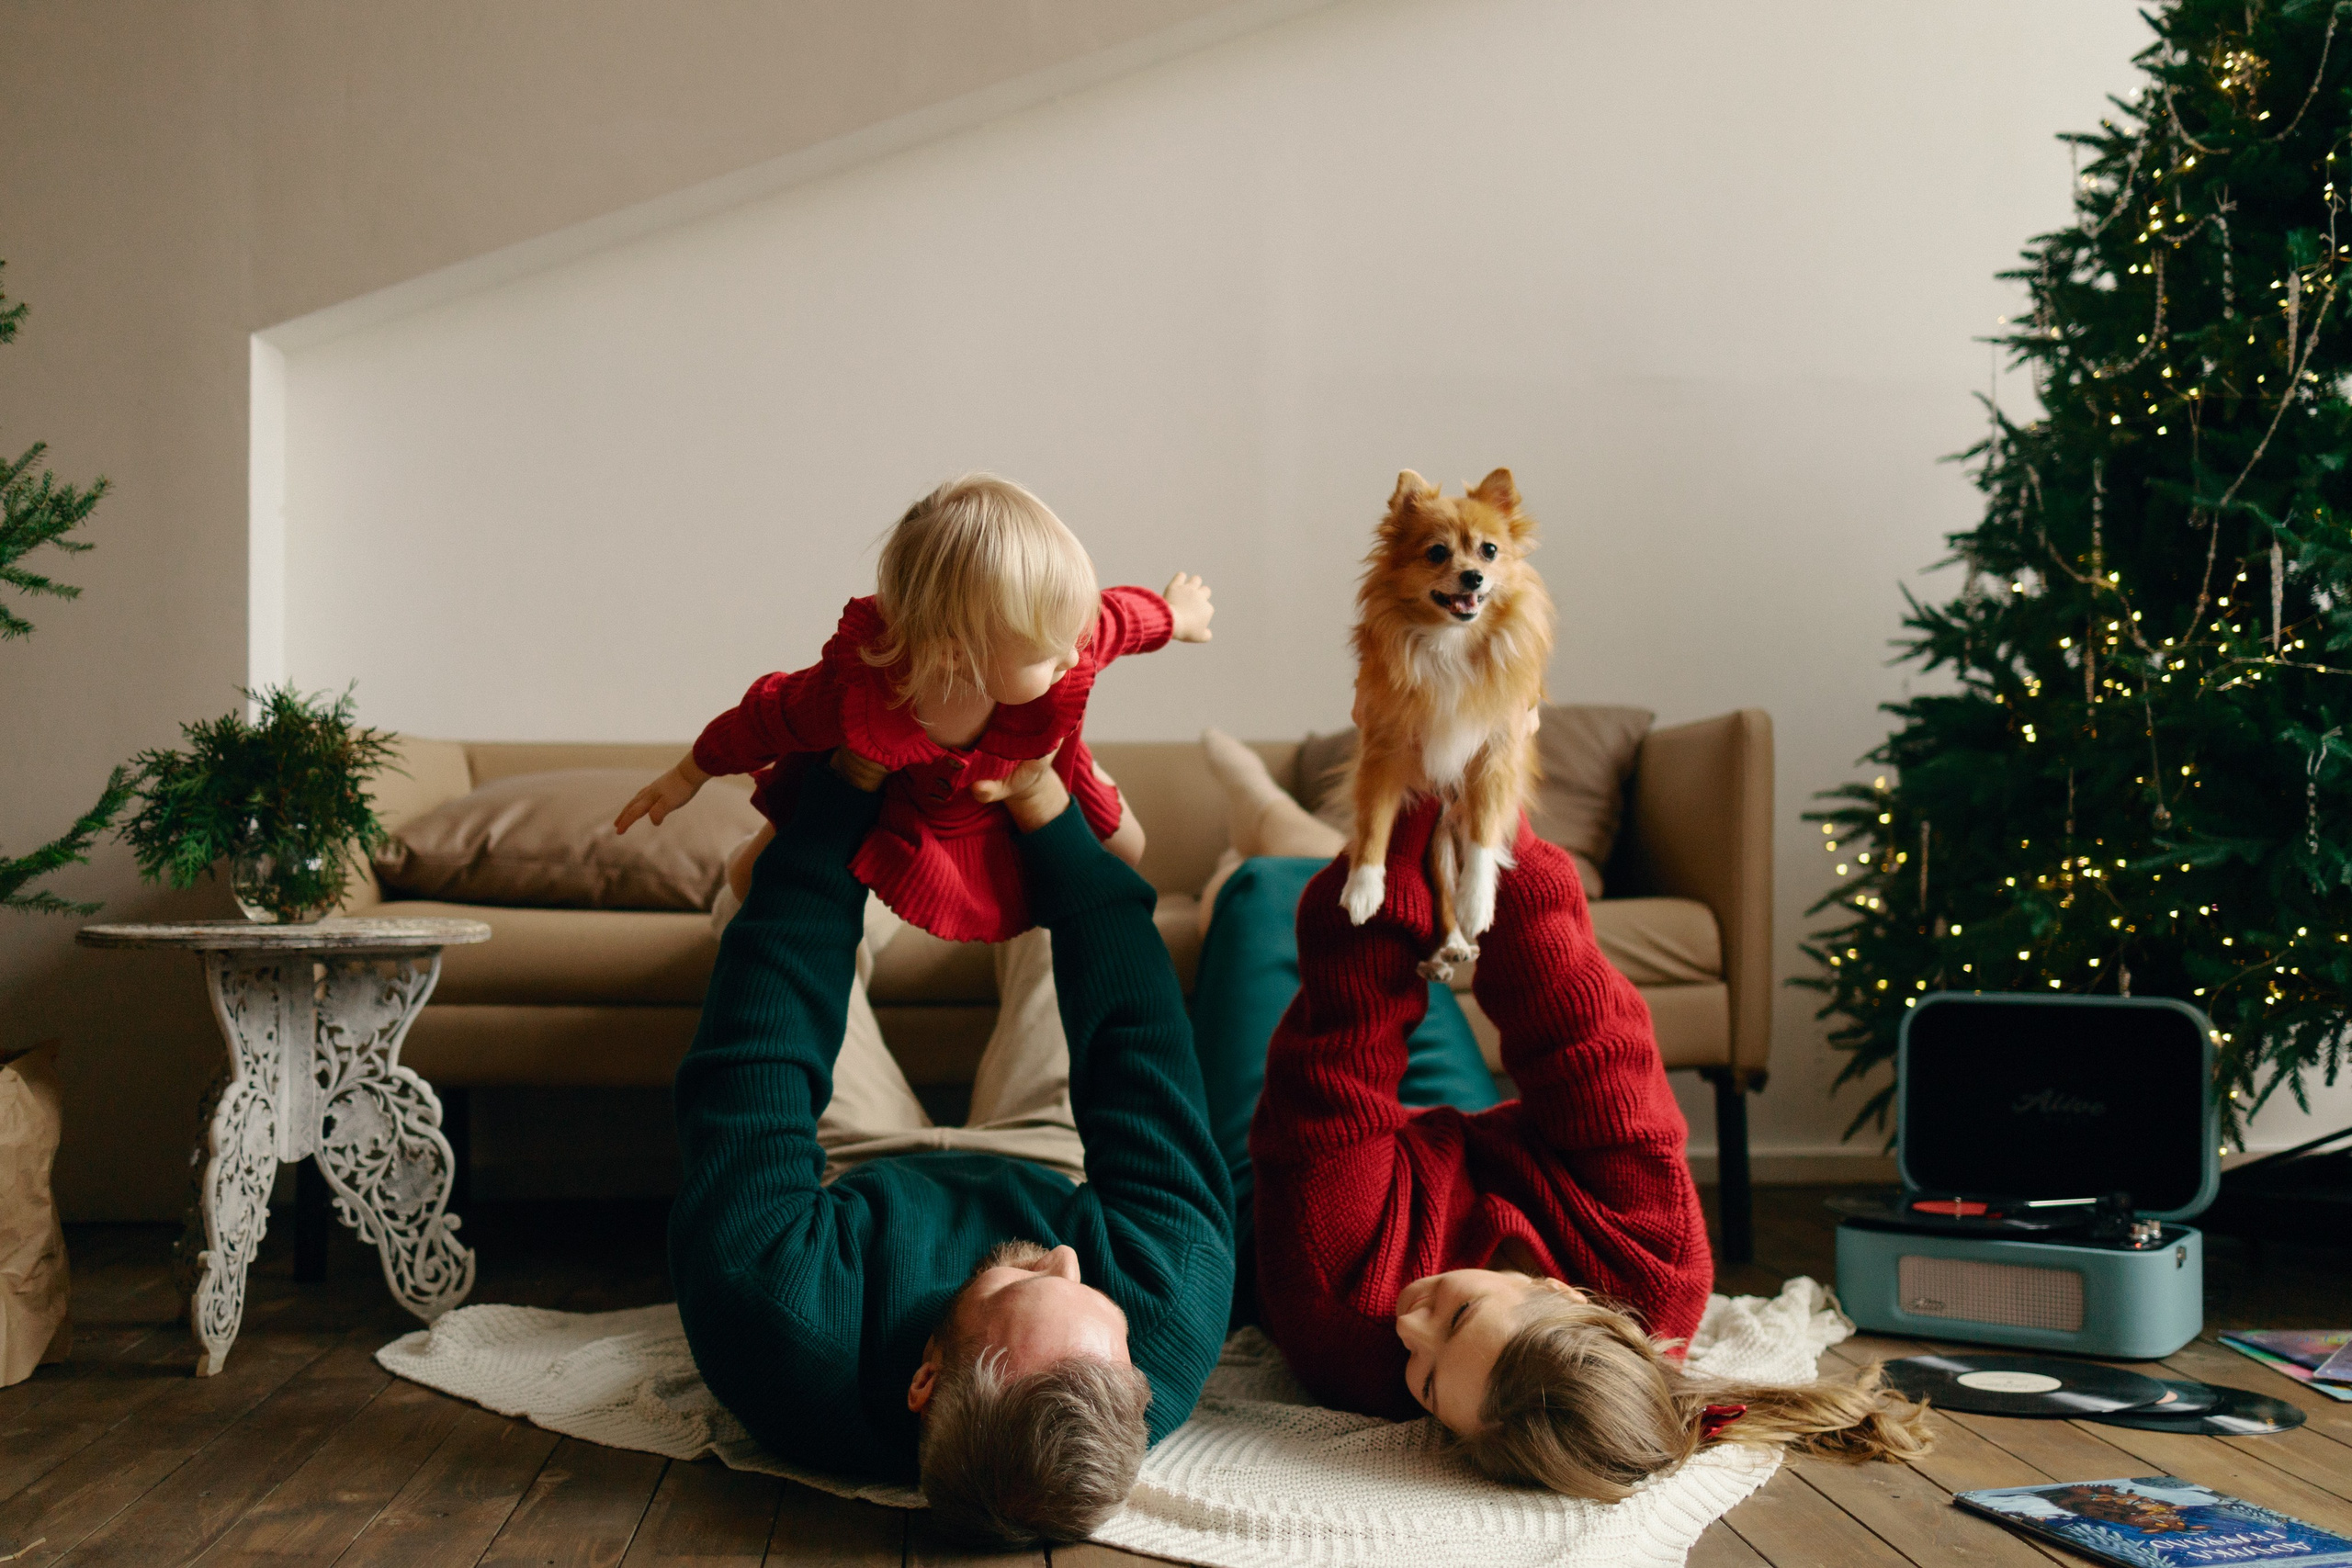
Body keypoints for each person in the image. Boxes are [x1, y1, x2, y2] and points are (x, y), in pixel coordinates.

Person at [1219, 799, 1930, 1499]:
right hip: (1460, 1148)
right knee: (1402, 934)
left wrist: (1395, 809)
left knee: (1266, 890)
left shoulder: (1347, 1327)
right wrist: (1473, 796)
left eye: (1429, 1387)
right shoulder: (1656, 1264)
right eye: (1457, 1318)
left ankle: (1257, 839)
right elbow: (1579, 1028)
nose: (1409, 1324)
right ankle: (1297, 828)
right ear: (1558, 1288)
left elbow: (1337, 1055)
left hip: (1295, 1180)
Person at [669, 748, 1234, 1544]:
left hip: (847, 1183)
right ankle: (1002, 858)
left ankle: (860, 864)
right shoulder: (1166, 1313)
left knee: (753, 923)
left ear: (925, 1375)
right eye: (1097, 1297)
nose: (1068, 1259)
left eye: (1030, 1285)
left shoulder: (772, 1314)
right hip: (1052, 1159)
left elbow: (755, 1054)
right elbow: (1139, 1054)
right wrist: (1048, 813)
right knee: (1075, 900)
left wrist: (847, 787)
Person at [616, 473, 1214, 942]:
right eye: (1049, 650)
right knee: (755, 882)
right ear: (956, 657)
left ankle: (1086, 794)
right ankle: (739, 885)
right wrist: (688, 773)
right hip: (890, 796)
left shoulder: (1065, 649)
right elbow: (762, 718)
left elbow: (1118, 620)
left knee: (1126, 848)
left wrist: (1176, 615)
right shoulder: (855, 698)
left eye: (1074, 638)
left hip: (1029, 765)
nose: (1074, 657)